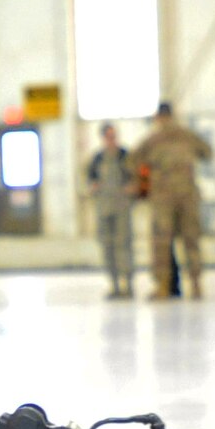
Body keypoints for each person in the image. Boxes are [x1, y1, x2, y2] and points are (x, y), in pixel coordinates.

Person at [132, 102, 211, 300]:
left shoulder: (153, 140)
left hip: (164, 198)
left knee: (162, 242)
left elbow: (133, 162)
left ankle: (163, 287)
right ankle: (195, 285)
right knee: (190, 240)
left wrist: (143, 186)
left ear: (158, 117)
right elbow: (207, 152)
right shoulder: (186, 135)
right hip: (186, 196)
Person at [84, 123, 137, 299]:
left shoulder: (125, 156)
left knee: (124, 244)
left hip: (122, 207)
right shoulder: (97, 159)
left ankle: (127, 284)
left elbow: (136, 177)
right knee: (108, 246)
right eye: (108, 136)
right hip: (104, 208)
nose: (111, 140)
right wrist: (93, 187)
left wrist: (132, 188)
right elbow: (89, 180)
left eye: (113, 136)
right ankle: (114, 284)